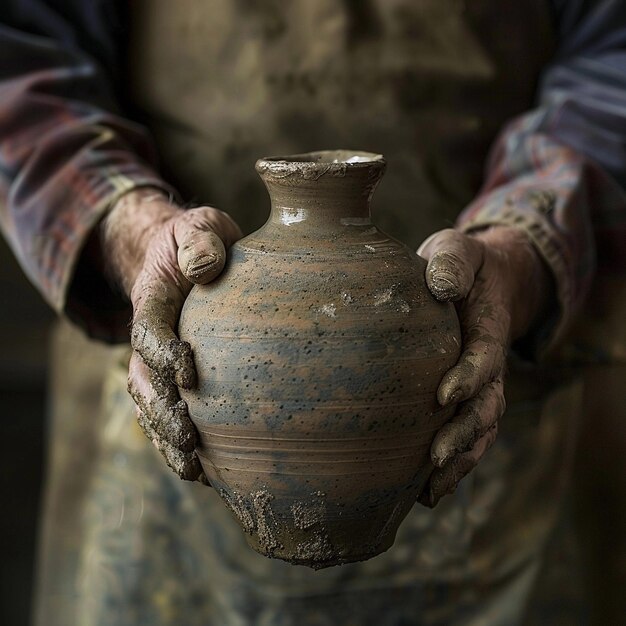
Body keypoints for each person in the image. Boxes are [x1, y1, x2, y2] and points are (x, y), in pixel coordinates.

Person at [1, 1, 625, 624]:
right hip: (160, 369)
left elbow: (612, 68)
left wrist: (523, 251)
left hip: (497, 378)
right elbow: (18, 58)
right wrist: (130, 233)